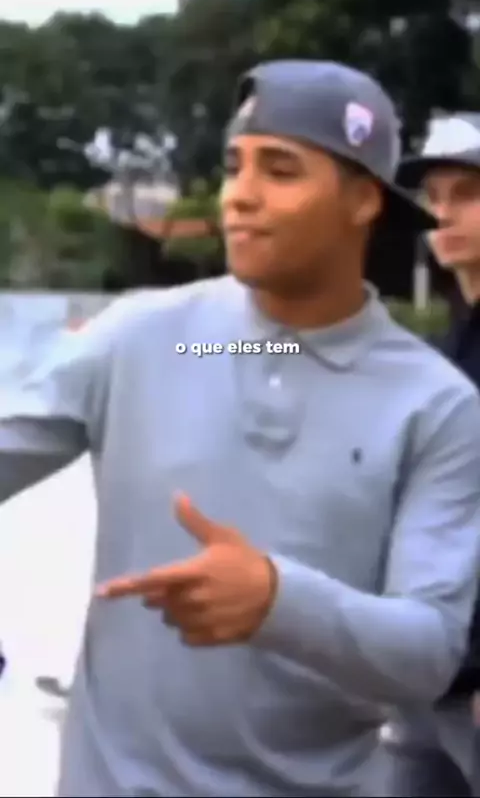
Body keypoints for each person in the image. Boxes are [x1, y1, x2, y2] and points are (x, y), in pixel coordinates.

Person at [2, 61, 480, 798]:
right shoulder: (146, 336)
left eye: (280, 170)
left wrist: (278, 600)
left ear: (363, 200)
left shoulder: (435, 404)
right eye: (234, 166)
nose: (240, 196)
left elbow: (428, 651)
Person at [380, 115, 480, 797]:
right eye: (434, 197)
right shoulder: (450, 344)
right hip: (429, 673)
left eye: (466, 194)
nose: (442, 213)